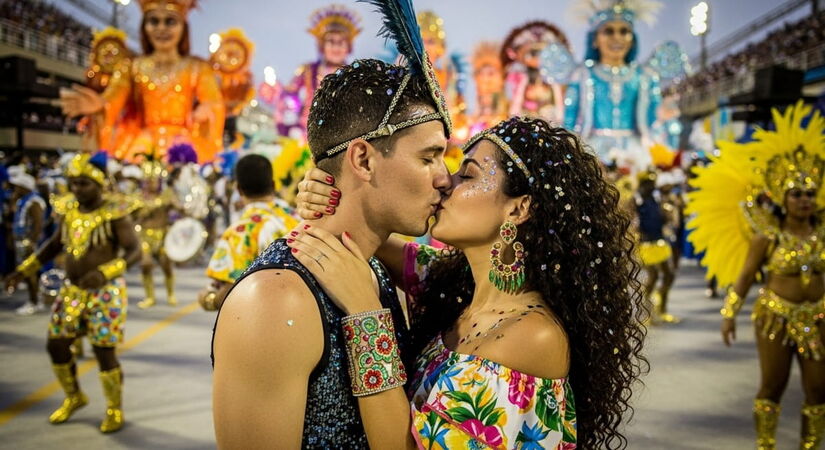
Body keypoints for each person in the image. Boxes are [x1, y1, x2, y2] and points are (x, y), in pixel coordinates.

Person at [294, 116, 648, 448]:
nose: (445, 181)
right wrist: (332, 192)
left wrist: (364, 312)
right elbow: (363, 232)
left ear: (517, 209)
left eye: (468, 174)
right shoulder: (457, 284)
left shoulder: (533, 336)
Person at [211, 52, 453, 447]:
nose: (445, 179)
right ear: (363, 159)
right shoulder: (276, 302)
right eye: (429, 158)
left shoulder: (370, 267)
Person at [687, 102, 825, 449]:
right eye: (797, 194)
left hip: (819, 317)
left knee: (819, 389)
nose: (805, 200)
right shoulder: (768, 236)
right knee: (773, 385)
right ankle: (766, 445)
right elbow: (747, 275)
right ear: (783, 197)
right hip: (775, 316)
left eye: (810, 194)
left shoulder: (822, 233)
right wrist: (729, 313)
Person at [5, 152, 141, 433]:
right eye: (74, 183)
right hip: (72, 291)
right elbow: (54, 246)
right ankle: (74, 396)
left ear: (99, 184)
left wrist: (105, 272)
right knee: (56, 344)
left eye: (84, 183)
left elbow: (135, 251)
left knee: (104, 352)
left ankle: (114, 408)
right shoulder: (69, 210)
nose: (77, 189)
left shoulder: (115, 213)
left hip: (105, 292)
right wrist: (24, 271)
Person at [60, 0, 225, 163]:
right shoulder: (132, 67)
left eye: (170, 21)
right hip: (141, 145)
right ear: (144, 26)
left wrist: (206, 110)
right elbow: (114, 98)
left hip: (184, 143)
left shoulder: (197, 67)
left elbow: (214, 102)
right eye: (154, 21)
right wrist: (100, 105)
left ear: (183, 26)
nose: (161, 28)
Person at [564, 0, 663, 171]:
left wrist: (663, 118)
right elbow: (569, 121)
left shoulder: (644, 76)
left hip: (636, 154)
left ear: (632, 39)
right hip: (592, 152)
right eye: (608, 31)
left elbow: (654, 120)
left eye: (624, 31)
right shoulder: (582, 75)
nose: (617, 37)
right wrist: (569, 152)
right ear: (595, 40)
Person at [198, 154, 297, 311]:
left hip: (264, 316)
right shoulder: (297, 219)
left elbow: (230, 289)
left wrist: (209, 300)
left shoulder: (239, 232)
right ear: (273, 185)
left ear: (238, 189)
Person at [277, 4, 361, 140]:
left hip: (343, 138)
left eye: (341, 42)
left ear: (349, 46)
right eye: (331, 41)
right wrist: (290, 121)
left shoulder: (356, 76)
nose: (336, 47)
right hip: (305, 138)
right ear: (322, 45)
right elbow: (287, 98)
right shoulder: (307, 71)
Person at [134, 159, 178, 309]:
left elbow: (179, 209)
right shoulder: (138, 198)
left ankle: (171, 294)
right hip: (144, 236)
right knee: (145, 265)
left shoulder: (166, 195)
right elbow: (131, 217)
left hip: (163, 235)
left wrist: (176, 205)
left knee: (166, 266)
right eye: (148, 180)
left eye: (153, 180)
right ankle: (150, 297)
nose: (150, 183)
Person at [635, 171, 677, 324]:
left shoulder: (656, 199)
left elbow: (662, 219)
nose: (651, 187)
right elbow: (633, 223)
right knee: (653, 277)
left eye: (653, 184)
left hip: (659, 241)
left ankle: (662, 309)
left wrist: (667, 214)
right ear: (642, 185)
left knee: (669, 275)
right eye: (648, 184)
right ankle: (647, 313)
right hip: (646, 245)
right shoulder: (636, 201)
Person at [9, 170, 46, 315]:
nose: (15, 189)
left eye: (18, 186)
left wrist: (31, 242)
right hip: (22, 240)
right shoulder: (22, 200)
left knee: (30, 272)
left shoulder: (34, 202)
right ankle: (35, 299)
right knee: (27, 272)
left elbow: (38, 224)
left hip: (28, 242)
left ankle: (34, 302)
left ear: (25, 187)